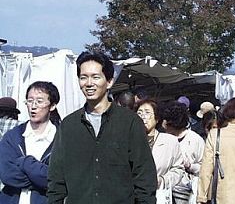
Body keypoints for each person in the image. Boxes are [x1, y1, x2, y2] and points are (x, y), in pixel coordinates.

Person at [47, 51, 157, 204]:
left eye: (96, 77)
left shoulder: (129, 122)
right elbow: (56, 179)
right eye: (83, 77)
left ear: (109, 81)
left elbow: (144, 176)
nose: (89, 83)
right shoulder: (69, 126)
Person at [0, 81, 60, 204]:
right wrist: (41, 179)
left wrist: (25, 163)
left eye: (39, 101)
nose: (33, 106)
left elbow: (58, 179)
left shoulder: (61, 139)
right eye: (30, 100)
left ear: (52, 106)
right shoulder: (13, 137)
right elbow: (7, 175)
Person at [136, 99, 184, 200]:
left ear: (157, 118)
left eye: (147, 112)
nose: (143, 116)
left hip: (159, 195)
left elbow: (178, 169)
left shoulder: (170, 141)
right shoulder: (129, 140)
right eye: (139, 113)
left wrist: (163, 180)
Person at [161, 101, 205, 204]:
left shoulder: (195, 140)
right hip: (165, 191)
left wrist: (190, 166)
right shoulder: (162, 138)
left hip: (188, 193)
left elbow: (204, 168)